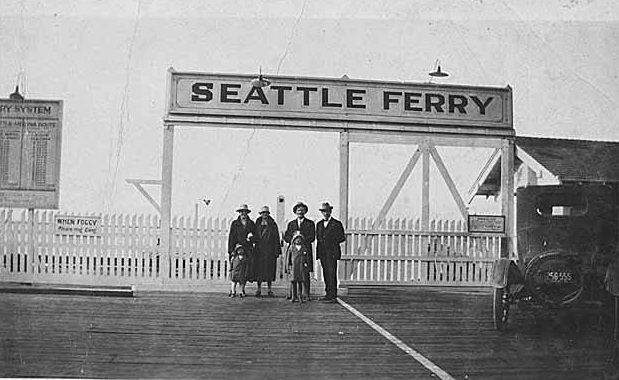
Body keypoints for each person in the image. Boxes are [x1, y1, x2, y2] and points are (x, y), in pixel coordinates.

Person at [284, 201, 315, 299]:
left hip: (305, 250)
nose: (300, 212)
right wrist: (294, 240)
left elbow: (312, 237)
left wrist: (302, 239)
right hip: (294, 251)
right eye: (298, 210)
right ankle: (292, 294)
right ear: (295, 212)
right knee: (293, 272)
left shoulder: (310, 223)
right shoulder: (291, 224)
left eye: (302, 210)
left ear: (305, 211)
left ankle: (306, 294)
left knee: (305, 272)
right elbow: (287, 236)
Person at [315, 202, 346, 302]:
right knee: (325, 274)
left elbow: (342, 238)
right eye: (323, 212)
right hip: (323, 252)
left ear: (330, 211)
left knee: (332, 273)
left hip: (332, 252)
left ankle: (333, 295)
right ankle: (328, 293)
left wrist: (331, 240)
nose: (325, 213)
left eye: (327, 211)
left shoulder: (336, 224)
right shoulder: (319, 224)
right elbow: (318, 238)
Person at [251, 205, 281, 297]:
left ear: (268, 214)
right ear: (260, 214)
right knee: (259, 271)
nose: (265, 215)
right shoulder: (257, 223)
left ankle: (269, 289)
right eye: (263, 213)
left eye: (266, 213)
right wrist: (252, 239)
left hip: (269, 251)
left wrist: (276, 251)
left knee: (269, 271)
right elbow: (255, 236)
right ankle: (258, 289)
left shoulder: (272, 224)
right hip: (259, 251)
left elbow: (276, 238)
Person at [228, 204, 256, 296]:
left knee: (245, 272)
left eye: (245, 212)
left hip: (247, 250)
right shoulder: (235, 224)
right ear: (239, 213)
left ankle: (242, 290)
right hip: (237, 249)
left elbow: (256, 237)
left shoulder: (251, 224)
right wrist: (231, 251)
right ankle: (233, 290)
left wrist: (251, 238)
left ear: (247, 213)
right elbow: (231, 238)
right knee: (235, 270)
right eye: (241, 212)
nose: (243, 214)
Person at [285, 231, 310, 303]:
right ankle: (293, 296)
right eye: (296, 239)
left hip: (301, 268)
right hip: (294, 267)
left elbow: (307, 258)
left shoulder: (304, 248)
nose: (298, 240)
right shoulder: (291, 248)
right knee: (293, 282)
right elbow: (288, 258)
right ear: (293, 240)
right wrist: (288, 267)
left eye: (300, 239)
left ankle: (300, 296)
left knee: (300, 282)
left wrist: (306, 264)